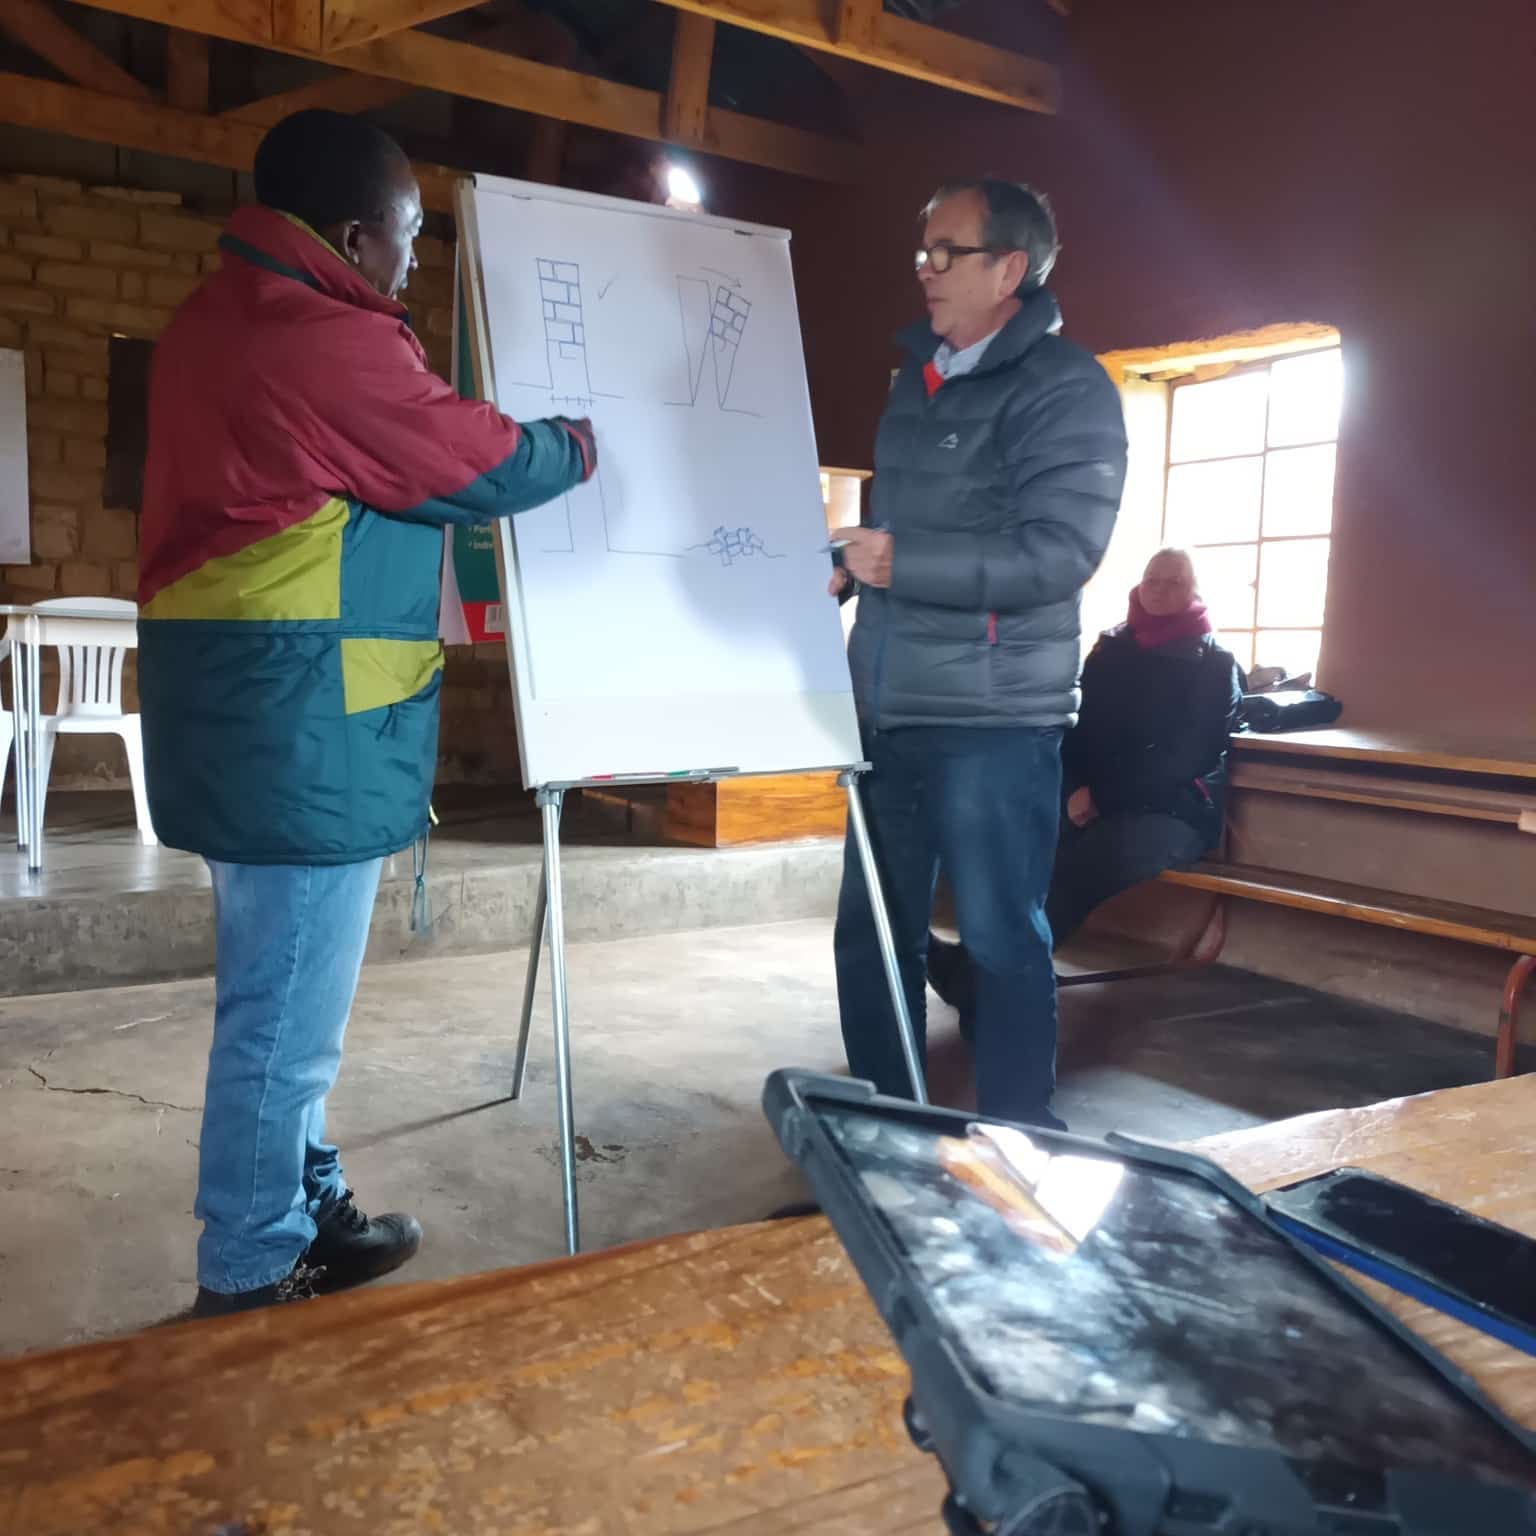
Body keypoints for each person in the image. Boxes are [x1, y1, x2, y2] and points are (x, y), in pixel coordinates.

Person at [137, 111, 597, 1316]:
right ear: (353, 237)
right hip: (299, 729)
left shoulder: (222, 316)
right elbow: (479, 462)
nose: (411, 261)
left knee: (283, 1001)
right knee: (282, 1018)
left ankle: (301, 1200)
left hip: (257, 721)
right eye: (408, 236)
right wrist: (582, 443)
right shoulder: (317, 339)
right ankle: (252, 1262)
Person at [828, 178, 1127, 1128]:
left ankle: (1021, 1141)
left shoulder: (1067, 388)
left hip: (994, 721)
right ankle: (891, 1132)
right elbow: (912, 528)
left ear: (1009, 269)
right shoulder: (912, 381)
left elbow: (1060, 554)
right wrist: (852, 565)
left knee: (1000, 941)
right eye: (922, 250)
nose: (925, 268)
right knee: (873, 939)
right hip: (889, 706)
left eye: (946, 251)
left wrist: (900, 563)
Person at [928, 548, 1244, 1028]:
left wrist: (1102, 798)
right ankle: (980, 968)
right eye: (1153, 579)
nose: (1160, 590)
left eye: (1174, 583)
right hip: (1091, 800)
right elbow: (1073, 726)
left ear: (1194, 593)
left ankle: (985, 984)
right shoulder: (1111, 648)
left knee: (1076, 870)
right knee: (1023, 849)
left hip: (1170, 813)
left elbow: (1187, 758)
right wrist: (1074, 787)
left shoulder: (1215, 664)